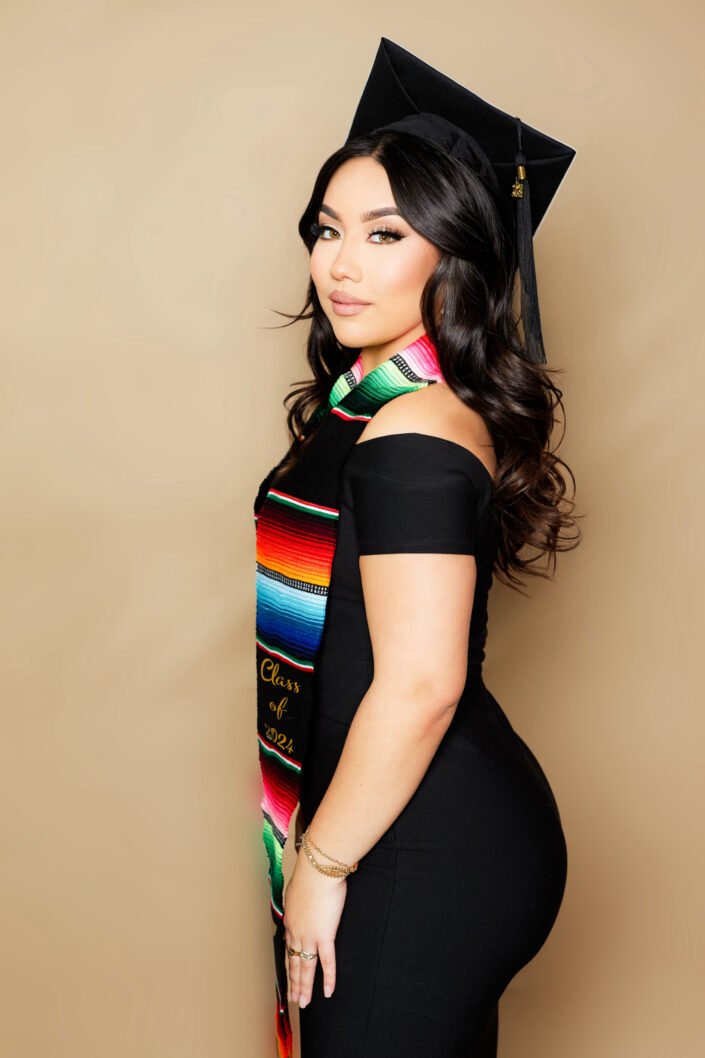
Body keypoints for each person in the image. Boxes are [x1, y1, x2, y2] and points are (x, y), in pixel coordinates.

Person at [253, 37, 580, 1058]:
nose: (340, 264)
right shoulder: (377, 402)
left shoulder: (413, 432)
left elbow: (422, 683)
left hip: (420, 843)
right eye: (327, 229)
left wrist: (323, 863)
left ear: (454, 255)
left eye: (386, 234)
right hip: (399, 821)